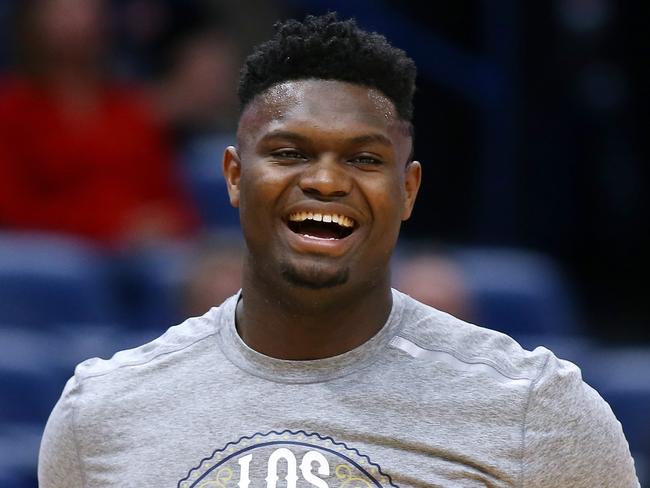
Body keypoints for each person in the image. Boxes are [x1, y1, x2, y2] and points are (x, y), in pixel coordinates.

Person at [38, 13, 640, 487]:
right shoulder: (102, 415)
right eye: (290, 152)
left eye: (363, 158)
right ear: (234, 177)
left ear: (407, 190)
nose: (326, 181)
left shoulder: (538, 411)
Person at [0, 0, 197, 248]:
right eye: (63, 10)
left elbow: (173, 202)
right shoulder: (10, 111)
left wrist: (164, 223)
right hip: (60, 254)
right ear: (32, 22)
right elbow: (13, 213)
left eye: (86, 8)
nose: (77, 21)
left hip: (144, 252)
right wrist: (111, 228)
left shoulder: (129, 110)